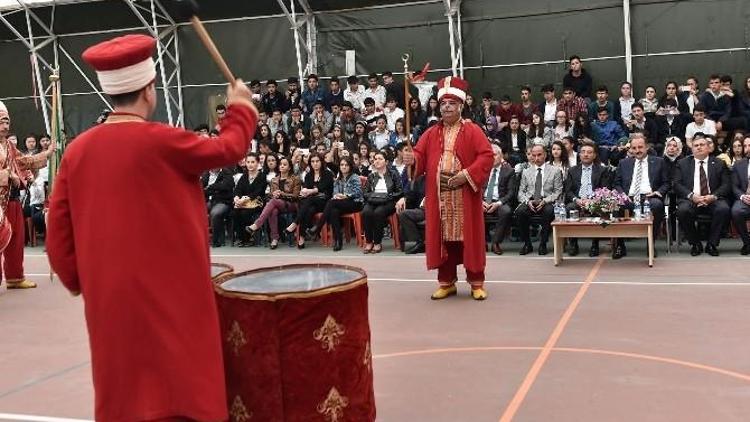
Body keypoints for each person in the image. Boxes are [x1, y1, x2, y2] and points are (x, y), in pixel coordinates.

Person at [46, 34, 258, 422]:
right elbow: (228, 148)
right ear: (149, 90)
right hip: (174, 293)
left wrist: (82, 280)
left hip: (111, 297)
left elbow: (57, 236)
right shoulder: (163, 141)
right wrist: (240, 107)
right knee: (182, 388)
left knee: (124, 392)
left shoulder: (76, 152)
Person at [402, 76, 494, 300]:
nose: (446, 107)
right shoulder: (432, 132)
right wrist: (411, 158)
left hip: (464, 194)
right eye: (443, 103)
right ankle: (446, 282)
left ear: (461, 106)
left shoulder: (473, 131)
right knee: (443, 239)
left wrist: (466, 175)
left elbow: (487, 155)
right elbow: (420, 155)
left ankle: (476, 283)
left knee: (469, 238)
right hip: (439, 196)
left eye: (451, 103)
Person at [0, 102, 55, 290]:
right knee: (1, 238)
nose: (5, 126)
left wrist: (46, 154)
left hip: (13, 199)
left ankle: (15, 277)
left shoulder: (9, 145)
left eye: (7, 122)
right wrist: (10, 175)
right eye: (1, 122)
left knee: (16, 239)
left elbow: (24, 161)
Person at [672, 135, 732, 256]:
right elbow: (676, 184)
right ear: (692, 149)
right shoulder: (682, 163)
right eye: (696, 145)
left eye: (702, 145)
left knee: (723, 209)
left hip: (713, 199)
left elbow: (726, 185)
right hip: (691, 199)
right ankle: (695, 243)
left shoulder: (719, 163)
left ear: (709, 147)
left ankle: (712, 244)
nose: (699, 147)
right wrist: (691, 196)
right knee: (682, 211)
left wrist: (713, 196)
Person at [613, 133, 670, 258]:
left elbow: (666, 183)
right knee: (617, 205)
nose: (637, 151)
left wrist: (658, 192)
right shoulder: (623, 163)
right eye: (634, 148)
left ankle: (650, 243)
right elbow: (616, 183)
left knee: (656, 205)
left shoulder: (659, 162)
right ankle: (620, 245)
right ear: (630, 149)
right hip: (629, 197)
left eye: (640, 147)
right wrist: (622, 195)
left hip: (649, 196)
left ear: (647, 147)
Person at [564, 141, 611, 257]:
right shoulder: (572, 170)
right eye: (583, 152)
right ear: (579, 155)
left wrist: (592, 200)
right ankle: (573, 243)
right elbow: (568, 191)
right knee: (570, 208)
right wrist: (577, 200)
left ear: (594, 155)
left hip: (594, 201)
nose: (586, 155)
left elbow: (605, 189)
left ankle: (595, 244)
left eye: (589, 152)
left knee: (599, 209)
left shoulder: (602, 170)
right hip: (578, 201)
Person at [515, 144, 563, 256]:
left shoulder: (555, 171)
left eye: (539, 155)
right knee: (520, 212)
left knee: (548, 211)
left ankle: (543, 243)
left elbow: (558, 191)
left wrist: (545, 201)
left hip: (547, 200)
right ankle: (527, 243)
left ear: (545, 155)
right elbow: (521, 192)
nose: (536, 158)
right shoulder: (526, 172)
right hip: (530, 200)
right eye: (534, 155)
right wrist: (527, 201)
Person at [307, 156, 363, 251]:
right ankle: (338, 241)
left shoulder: (355, 177)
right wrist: (337, 196)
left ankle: (318, 227)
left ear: (350, 166)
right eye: (342, 165)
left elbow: (358, 192)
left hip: (355, 203)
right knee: (334, 211)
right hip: (341, 203)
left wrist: (346, 195)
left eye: (346, 165)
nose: (344, 167)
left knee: (332, 203)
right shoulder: (338, 179)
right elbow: (335, 193)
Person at [246, 156, 301, 249]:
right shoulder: (274, 180)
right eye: (280, 164)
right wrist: (273, 194)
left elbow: (296, 196)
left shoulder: (295, 179)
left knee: (273, 202)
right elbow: (270, 195)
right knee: (273, 210)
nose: (282, 166)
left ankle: (257, 224)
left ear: (289, 167)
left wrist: (281, 194)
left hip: (291, 204)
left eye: (284, 164)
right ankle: (274, 238)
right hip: (277, 204)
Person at [286, 153, 333, 248]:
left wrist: (311, 191)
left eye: (317, 161)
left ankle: (295, 224)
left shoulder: (327, 174)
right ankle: (302, 237)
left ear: (321, 162)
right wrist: (304, 191)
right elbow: (306, 189)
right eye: (312, 161)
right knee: (309, 209)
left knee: (309, 201)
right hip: (311, 203)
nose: (315, 164)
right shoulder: (308, 175)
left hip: (325, 202)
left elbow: (323, 188)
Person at [361, 151, 403, 253]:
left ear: (386, 162)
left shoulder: (393, 174)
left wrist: (389, 196)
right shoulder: (371, 176)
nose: (377, 161)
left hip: (388, 201)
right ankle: (369, 241)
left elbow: (400, 191)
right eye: (375, 159)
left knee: (378, 213)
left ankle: (377, 242)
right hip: (373, 200)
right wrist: (372, 196)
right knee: (366, 212)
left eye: (380, 159)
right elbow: (365, 192)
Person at [483, 143, 517, 255]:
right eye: (489, 155)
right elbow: (475, 188)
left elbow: (511, 192)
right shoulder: (482, 169)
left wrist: (498, 203)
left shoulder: (509, 171)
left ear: (501, 155)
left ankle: (496, 243)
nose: (492, 157)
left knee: (506, 211)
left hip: (500, 201)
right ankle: (481, 242)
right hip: (483, 200)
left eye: (495, 155)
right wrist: (480, 202)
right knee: (471, 209)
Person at [231, 153, 268, 247]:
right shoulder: (244, 175)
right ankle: (241, 238)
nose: (250, 164)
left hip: (257, 202)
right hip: (244, 203)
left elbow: (259, 192)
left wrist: (245, 199)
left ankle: (247, 238)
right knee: (235, 212)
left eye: (253, 162)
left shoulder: (262, 176)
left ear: (258, 163)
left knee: (244, 213)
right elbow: (237, 189)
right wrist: (236, 198)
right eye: (248, 162)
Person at [730, 154, 750, 255]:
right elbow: (734, 186)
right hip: (745, 199)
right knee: (736, 211)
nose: (748, 148)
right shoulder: (738, 164)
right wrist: (742, 196)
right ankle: (747, 243)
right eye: (745, 146)